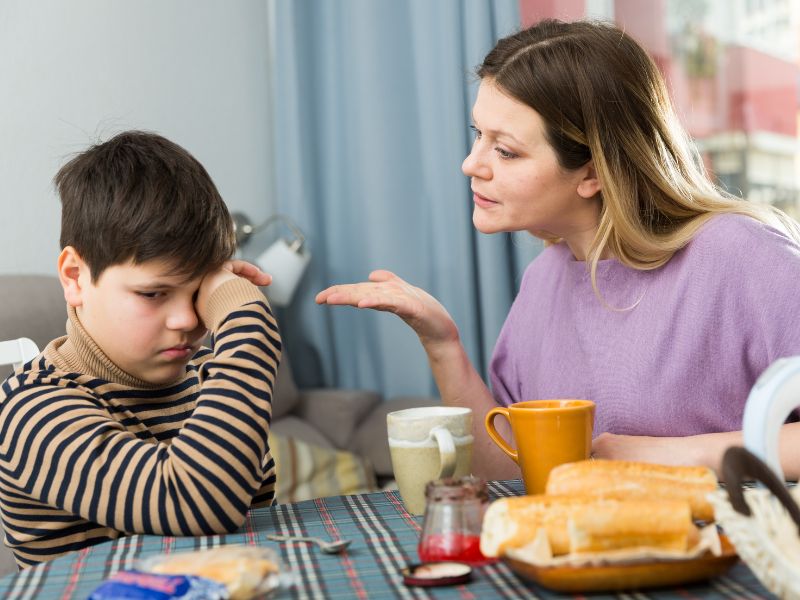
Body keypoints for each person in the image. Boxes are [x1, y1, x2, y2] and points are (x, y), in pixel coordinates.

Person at [316, 19, 800, 482]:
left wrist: (674, 455)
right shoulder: (544, 279)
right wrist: (442, 345)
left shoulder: (742, 256)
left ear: (593, 171)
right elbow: (514, 471)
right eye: (477, 136)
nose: (470, 165)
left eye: (505, 151)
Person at [0, 131, 281, 567]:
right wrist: (248, 322)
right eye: (153, 294)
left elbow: (252, 533)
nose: (188, 320)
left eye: (201, 292)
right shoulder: (29, 410)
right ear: (75, 277)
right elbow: (196, 505)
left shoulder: (211, 374)